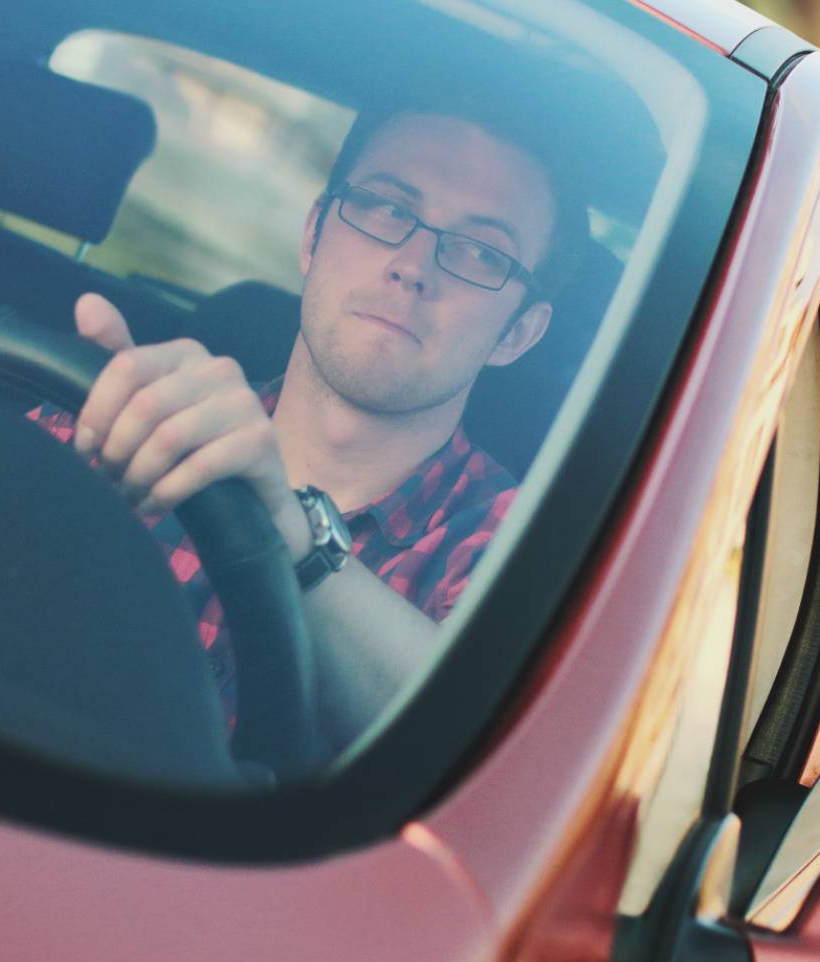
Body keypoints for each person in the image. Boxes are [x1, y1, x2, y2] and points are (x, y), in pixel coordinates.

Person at [33, 104, 579, 752]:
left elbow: (485, 753)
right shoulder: (125, 421)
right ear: (314, 234)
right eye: (389, 209)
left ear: (518, 333)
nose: (413, 266)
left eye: (483, 253)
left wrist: (294, 536)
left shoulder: (529, 559)